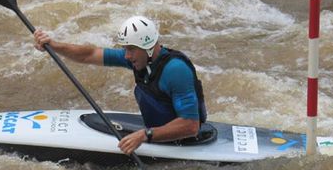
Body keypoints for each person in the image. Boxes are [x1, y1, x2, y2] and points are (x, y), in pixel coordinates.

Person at [33, 15, 207, 155]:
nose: (126, 56)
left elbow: (191, 126)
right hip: (156, 134)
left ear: (148, 48)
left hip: (184, 141)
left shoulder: (175, 70)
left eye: (131, 49)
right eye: (125, 49)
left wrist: (145, 135)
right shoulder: (139, 59)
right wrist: (54, 45)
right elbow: (89, 54)